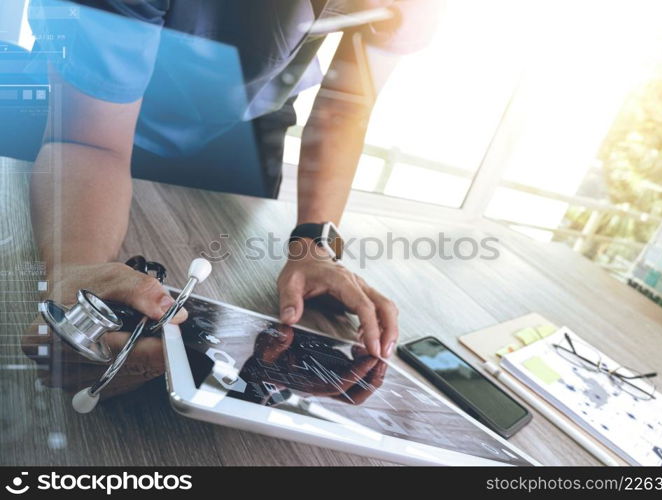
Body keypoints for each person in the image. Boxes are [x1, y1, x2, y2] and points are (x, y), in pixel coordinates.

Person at [20, 0, 441, 397]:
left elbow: (344, 108)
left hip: (245, 117)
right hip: (88, 104)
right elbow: (88, 142)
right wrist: (78, 268)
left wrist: (316, 244)